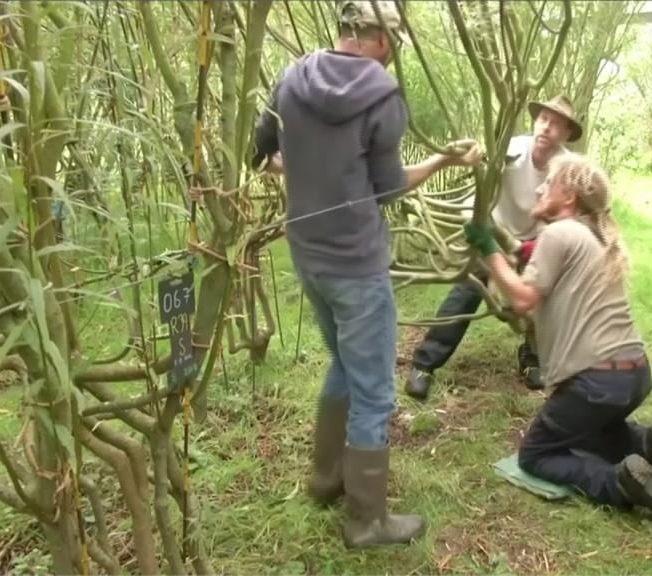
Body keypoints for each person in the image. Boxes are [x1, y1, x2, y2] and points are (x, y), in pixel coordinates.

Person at [251, 1, 481, 548]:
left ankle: (327, 477)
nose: (394, 52)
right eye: (394, 41)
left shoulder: (291, 78)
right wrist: (446, 162)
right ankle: (367, 520)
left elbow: (261, 152)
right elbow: (389, 187)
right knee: (375, 393)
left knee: (345, 364)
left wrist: (305, 171)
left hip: (307, 255)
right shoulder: (382, 95)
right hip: (356, 266)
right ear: (380, 38)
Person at [461, 155, 652, 524]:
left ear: (569, 196)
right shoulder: (596, 239)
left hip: (594, 382)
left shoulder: (558, 233)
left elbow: (524, 299)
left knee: (536, 454)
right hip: (634, 375)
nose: (540, 187)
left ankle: (619, 483)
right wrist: (508, 260)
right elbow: (538, 302)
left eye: (549, 183)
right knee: (586, 431)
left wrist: (488, 251)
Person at [405, 96, 582, 400]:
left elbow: (567, 219)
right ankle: (424, 364)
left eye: (556, 124)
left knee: (542, 295)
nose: (547, 128)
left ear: (566, 134)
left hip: (536, 240)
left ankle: (533, 357)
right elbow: (481, 185)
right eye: (544, 120)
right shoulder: (511, 150)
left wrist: (536, 248)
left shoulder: (567, 170)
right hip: (495, 232)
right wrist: (479, 226)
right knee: (468, 289)